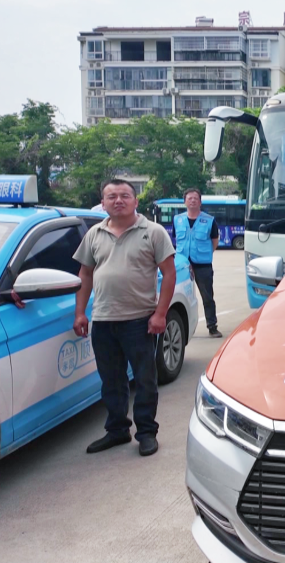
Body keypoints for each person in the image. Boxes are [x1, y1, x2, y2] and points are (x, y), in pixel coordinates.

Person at [73, 179, 176, 457]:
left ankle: (146, 433)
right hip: (103, 320)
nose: (118, 200)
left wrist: (160, 314)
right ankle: (117, 430)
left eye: (125, 195)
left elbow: (169, 273)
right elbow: (85, 274)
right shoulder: (94, 234)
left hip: (140, 321)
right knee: (111, 381)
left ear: (135, 201)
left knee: (145, 380)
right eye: (112, 196)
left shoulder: (153, 232)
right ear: (103, 203)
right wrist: (80, 312)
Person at [174, 188, 222, 338]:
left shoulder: (209, 220)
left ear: (200, 202)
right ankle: (182, 329)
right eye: (190, 198)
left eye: (196, 198)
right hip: (182, 265)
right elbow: (176, 240)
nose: (193, 200)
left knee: (207, 297)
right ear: (184, 202)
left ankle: (212, 327)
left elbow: (214, 240)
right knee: (179, 296)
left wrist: (205, 254)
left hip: (202, 265)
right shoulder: (177, 220)